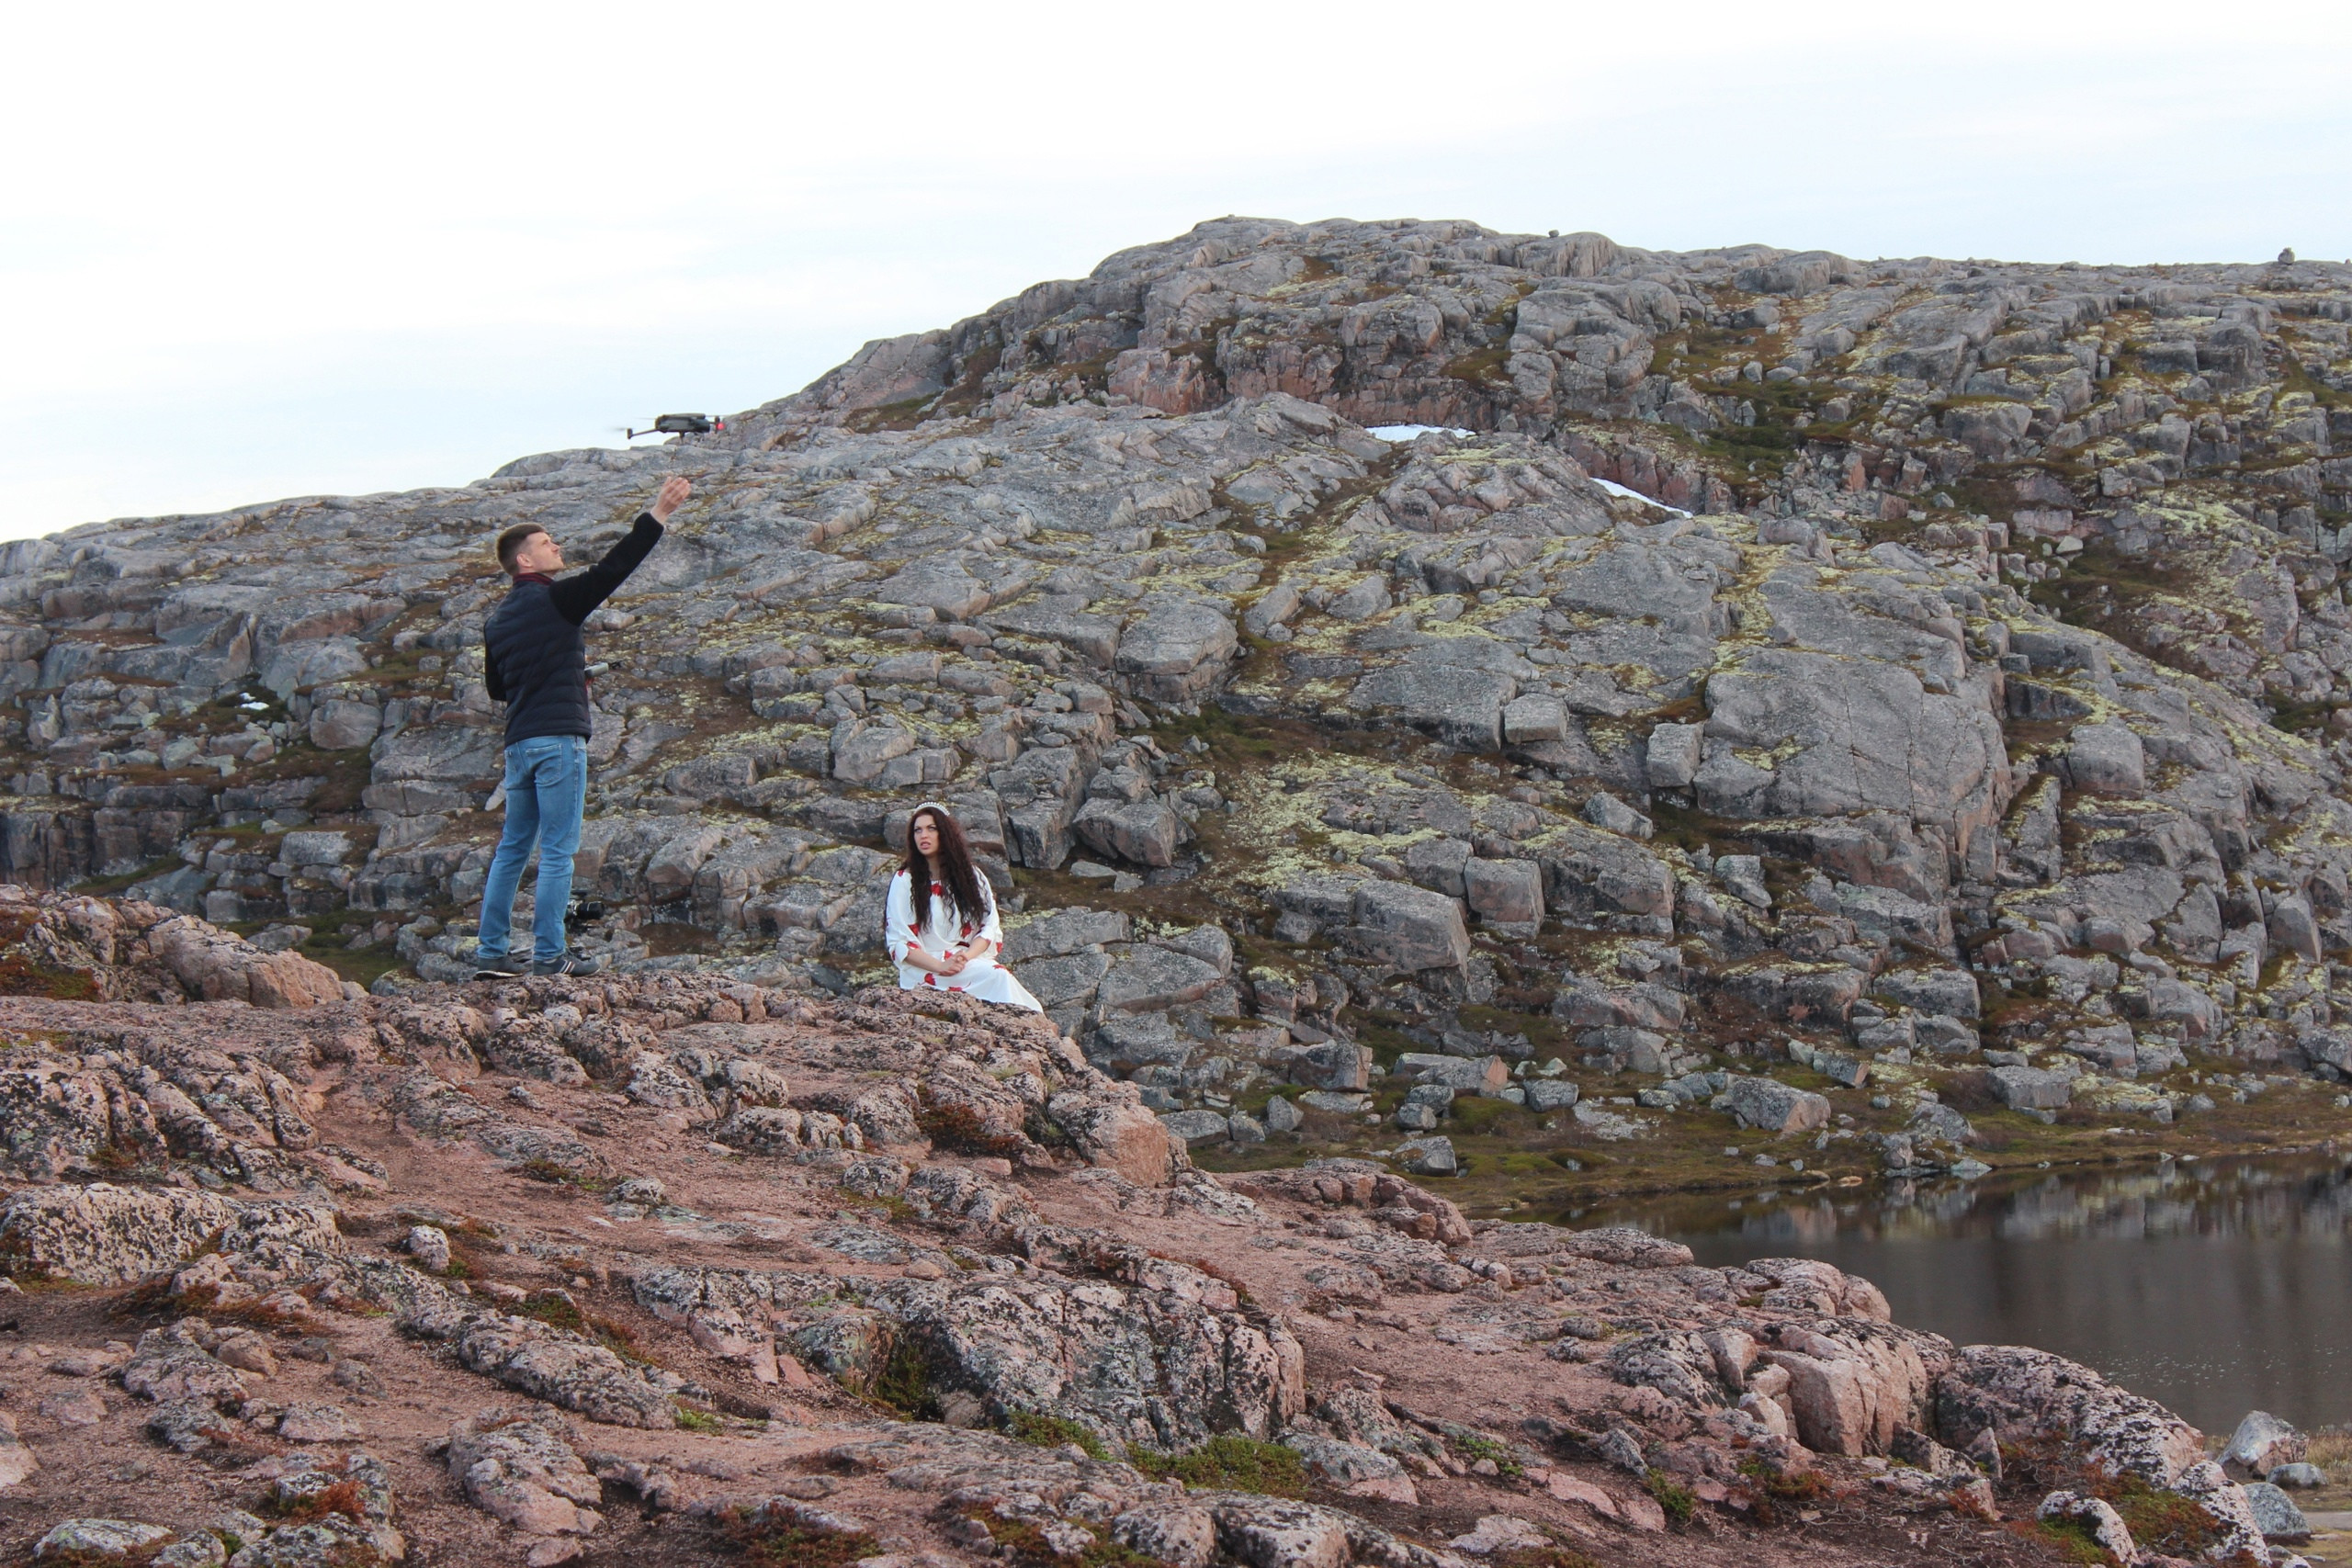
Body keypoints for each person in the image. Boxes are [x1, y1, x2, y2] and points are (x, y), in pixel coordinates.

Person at [472, 477, 687, 978]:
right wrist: (656, 513)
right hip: (557, 740)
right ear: (525, 561)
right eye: (547, 544)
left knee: (511, 850)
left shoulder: (497, 620)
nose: (557, 548)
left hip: (519, 743)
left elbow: (498, 689)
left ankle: (491, 954)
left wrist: (563, 672)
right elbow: (614, 570)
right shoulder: (557, 599)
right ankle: (550, 955)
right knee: (559, 851)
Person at [885, 803, 1042, 1011]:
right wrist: (940, 966)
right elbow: (898, 941)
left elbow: (989, 926)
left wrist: (964, 958)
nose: (924, 835)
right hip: (924, 969)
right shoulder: (904, 880)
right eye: (918, 830)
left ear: (946, 833)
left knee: (999, 976)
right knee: (997, 978)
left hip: (966, 962)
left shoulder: (972, 876)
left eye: (932, 828)